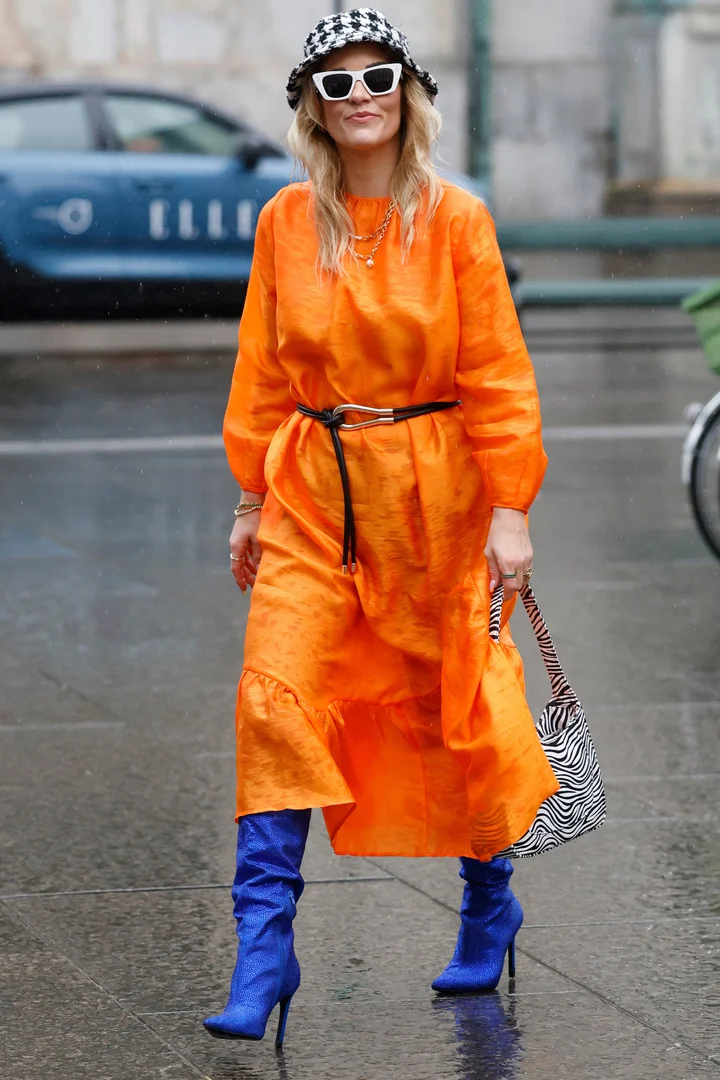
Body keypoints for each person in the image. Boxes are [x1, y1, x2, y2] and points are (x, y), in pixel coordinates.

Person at [204, 7, 559, 1047]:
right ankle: (263, 945)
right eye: (335, 83)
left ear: (409, 91)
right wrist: (249, 498)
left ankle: (489, 903)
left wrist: (510, 510)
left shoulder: (455, 220)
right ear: (310, 107)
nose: (359, 97)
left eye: (378, 77)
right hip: (314, 490)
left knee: (462, 707)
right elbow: (263, 369)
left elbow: (497, 373)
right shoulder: (283, 222)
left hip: (437, 500)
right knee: (275, 695)